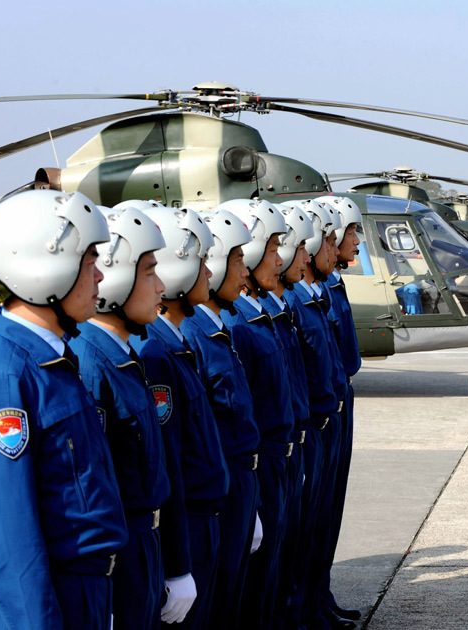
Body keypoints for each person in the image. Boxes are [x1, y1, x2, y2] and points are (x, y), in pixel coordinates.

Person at [0, 190, 128, 629]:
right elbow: (7, 539)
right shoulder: (4, 377)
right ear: (46, 266)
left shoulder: (51, 361)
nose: (101, 275)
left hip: (80, 593)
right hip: (42, 603)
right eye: (90, 260)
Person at [128, 203, 230, 628]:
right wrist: (179, 562)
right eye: (200, 262)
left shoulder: (176, 345)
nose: (209, 272)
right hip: (185, 521)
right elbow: (169, 461)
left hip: (205, 512)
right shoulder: (157, 353)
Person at [70, 205, 170, 630]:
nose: (161, 285)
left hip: (143, 543)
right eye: (149, 272)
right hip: (121, 554)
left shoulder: (125, 356)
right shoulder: (92, 364)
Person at [179, 209, 262, 630]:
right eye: (237, 260)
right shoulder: (190, 338)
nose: (244, 271)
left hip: (237, 483)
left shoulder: (216, 331)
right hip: (217, 493)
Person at [213, 199, 294, 630]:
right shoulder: (233, 327)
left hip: (267, 461)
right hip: (241, 474)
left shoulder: (244, 320)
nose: (279, 260)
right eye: (273, 249)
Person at [282, 199, 348, 630]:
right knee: (297, 537)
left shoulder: (316, 296)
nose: (336, 249)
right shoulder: (290, 306)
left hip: (324, 420)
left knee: (321, 524)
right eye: (328, 241)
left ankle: (316, 603)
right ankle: (302, 611)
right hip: (301, 435)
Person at [262, 201, 314, 628]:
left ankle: (309, 609)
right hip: (262, 463)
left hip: (293, 444)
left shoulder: (269, 315)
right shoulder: (242, 327)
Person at [317, 196, 364, 623]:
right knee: (314, 516)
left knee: (328, 512)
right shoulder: (320, 291)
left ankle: (320, 596)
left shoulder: (332, 285)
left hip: (339, 399)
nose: (354, 242)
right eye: (349, 234)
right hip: (323, 411)